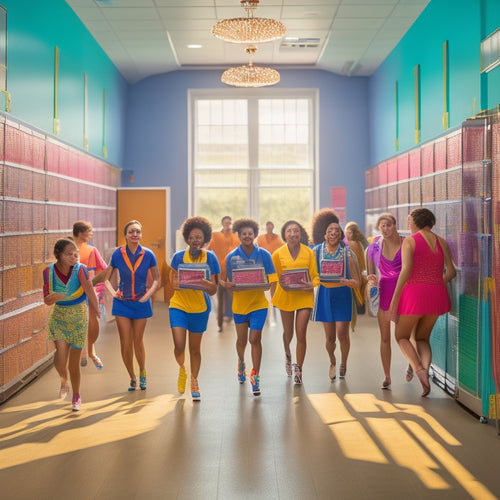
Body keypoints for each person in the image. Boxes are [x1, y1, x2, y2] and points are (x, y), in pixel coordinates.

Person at [389, 208, 456, 397]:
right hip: (437, 294)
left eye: (409, 221)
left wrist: (395, 301)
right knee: (422, 338)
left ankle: (418, 368)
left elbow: (406, 271)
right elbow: (451, 272)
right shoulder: (442, 242)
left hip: (414, 294)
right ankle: (426, 371)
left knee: (401, 336)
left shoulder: (410, 241)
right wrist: (434, 284)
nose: (408, 225)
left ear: (417, 222)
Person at [102, 220, 160, 391]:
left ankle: (142, 371)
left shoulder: (148, 254)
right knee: (125, 343)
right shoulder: (117, 255)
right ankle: (132, 377)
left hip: (142, 303)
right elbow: (106, 277)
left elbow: (157, 279)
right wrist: (113, 294)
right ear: (125, 235)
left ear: (141, 235)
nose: (135, 234)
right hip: (122, 304)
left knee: (137, 341)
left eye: (138, 232)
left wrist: (147, 296)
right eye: (131, 232)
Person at [43, 238, 100, 411]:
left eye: (75, 254)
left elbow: (89, 290)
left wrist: (96, 311)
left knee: (74, 362)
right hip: (59, 317)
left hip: (78, 317)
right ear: (58, 255)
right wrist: (53, 297)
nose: (74, 257)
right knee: (60, 359)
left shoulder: (80, 270)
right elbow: (46, 300)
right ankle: (63, 378)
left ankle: (76, 395)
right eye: (69, 254)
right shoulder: (48, 272)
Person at [223, 218, 277, 396]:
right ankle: (241, 362)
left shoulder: (265, 255)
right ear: (238, 235)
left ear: (255, 235)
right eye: (243, 233)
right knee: (241, 341)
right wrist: (228, 285)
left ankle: (255, 375)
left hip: (259, 305)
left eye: (250, 233)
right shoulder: (231, 257)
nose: (247, 236)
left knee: (255, 339)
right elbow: (228, 282)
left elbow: (272, 279)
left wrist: (268, 286)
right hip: (239, 305)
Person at [169, 217, 220, 401]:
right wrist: (190, 282)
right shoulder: (178, 257)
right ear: (187, 238)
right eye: (192, 237)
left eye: (199, 237)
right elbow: (173, 285)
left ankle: (194, 380)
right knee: (179, 345)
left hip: (200, 308)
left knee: (195, 349)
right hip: (179, 305)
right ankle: (182, 369)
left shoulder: (211, 257)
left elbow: (214, 289)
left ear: (204, 238)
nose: (195, 240)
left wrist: (204, 284)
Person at [311, 209, 360, 381]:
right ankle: (332, 360)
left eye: (337, 231)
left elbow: (357, 280)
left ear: (340, 235)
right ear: (324, 235)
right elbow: (310, 274)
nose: (333, 233)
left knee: (342, 334)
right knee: (330, 338)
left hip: (343, 295)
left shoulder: (348, 253)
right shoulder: (315, 252)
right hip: (325, 294)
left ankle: (343, 362)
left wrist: (352, 283)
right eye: (330, 231)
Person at [271, 220, 319, 384]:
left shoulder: (309, 252)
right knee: (289, 333)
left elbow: (315, 276)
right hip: (286, 296)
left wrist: (311, 284)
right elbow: (273, 276)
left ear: (300, 234)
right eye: (289, 231)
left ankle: (299, 368)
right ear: (285, 234)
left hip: (304, 296)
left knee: (301, 333)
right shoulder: (277, 254)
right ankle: (287, 352)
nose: (293, 234)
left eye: (296, 231)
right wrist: (280, 283)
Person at [366, 213, 405, 389]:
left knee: (405, 336)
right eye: (382, 226)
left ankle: (412, 363)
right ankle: (387, 376)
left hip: (404, 293)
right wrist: (371, 279)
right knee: (385, 337)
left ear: (395, 225)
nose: (385, 228)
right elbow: (370, 274)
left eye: (388, 225)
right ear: (379, 228)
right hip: (384, 293)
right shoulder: (373, 247)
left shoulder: (406, 244)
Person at [72, 221, 107, 369]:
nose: (91, 234)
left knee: (92, 318)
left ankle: (90, 350)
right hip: (74, 291)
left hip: (92, 289)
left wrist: (98, 287)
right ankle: (84, 350)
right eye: (89, 231)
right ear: (80, 233)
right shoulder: (69, 249)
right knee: (79, 320)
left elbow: (104, 269)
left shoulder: (90, 250)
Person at [208, 216, 240, 332]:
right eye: (226, 223)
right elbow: (209, 250)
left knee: (234, 297)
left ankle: (236, 320)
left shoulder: (236, 237)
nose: (228, 225)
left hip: (233, 272)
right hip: (220, 272)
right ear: (222, 224)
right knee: (220, 298)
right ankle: (220, 324)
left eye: (229, 223)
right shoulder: (215, 236)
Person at [256, 221, 284, 327]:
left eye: (271, 226)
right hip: (262, 268)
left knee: (273, 292)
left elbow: (282, 251)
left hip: (274, 268)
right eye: (267, 226)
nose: (269, 228)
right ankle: (266, 315)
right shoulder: (260, 238)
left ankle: (274, 314)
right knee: (263, 293)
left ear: (273, 227)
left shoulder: (278, 239)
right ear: (266, 227)